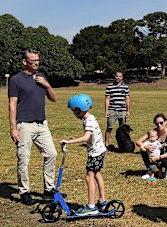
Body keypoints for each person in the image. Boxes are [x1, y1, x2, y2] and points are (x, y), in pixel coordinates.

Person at [8, 49, 58, 205]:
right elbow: (12, 105)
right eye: (32, 61)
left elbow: (54, 99)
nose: (36, 63)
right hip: (24, 125)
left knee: (51, 153)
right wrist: (13, 128)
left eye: (38, 60)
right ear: (24, 62)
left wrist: (46, 84)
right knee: (24, 159)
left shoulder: (41, 78)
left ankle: (49, 189)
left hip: (42, 124)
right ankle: (24, 192)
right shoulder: (16, 80)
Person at [60, 94, 108, 216]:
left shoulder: (89, 121)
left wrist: (69, 141)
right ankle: (102, 200)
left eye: (73, 110)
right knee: (97, 174)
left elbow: (87, 137)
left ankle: (91, 207)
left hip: (95, 153)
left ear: (79, 109)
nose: (73, 113)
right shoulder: (90, 118)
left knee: (89, 177)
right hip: (99, 150)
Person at [135, 113, 167, 180]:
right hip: (153, 153)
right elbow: (138, 142)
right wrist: (146, 147)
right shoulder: (153, 133)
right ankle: (150, 171)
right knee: (142, 150)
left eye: (161, 123)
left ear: (165, 122)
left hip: (165, 155)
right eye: (156, 123)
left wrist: (158, 158)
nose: (159, 125)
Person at [104, 71, 130, 148]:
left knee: (123, 129)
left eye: (120, 76)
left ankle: (122, 144)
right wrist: (106, 111)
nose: (118, 78)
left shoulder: (125, 87)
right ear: (114, 77)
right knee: (109, 128)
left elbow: (127, 99)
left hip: (122, 111)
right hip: (112, 110)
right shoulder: (109, 86)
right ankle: (106, 144)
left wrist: (128, 111)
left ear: (122, 77)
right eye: (117, 76)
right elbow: (107, 99)